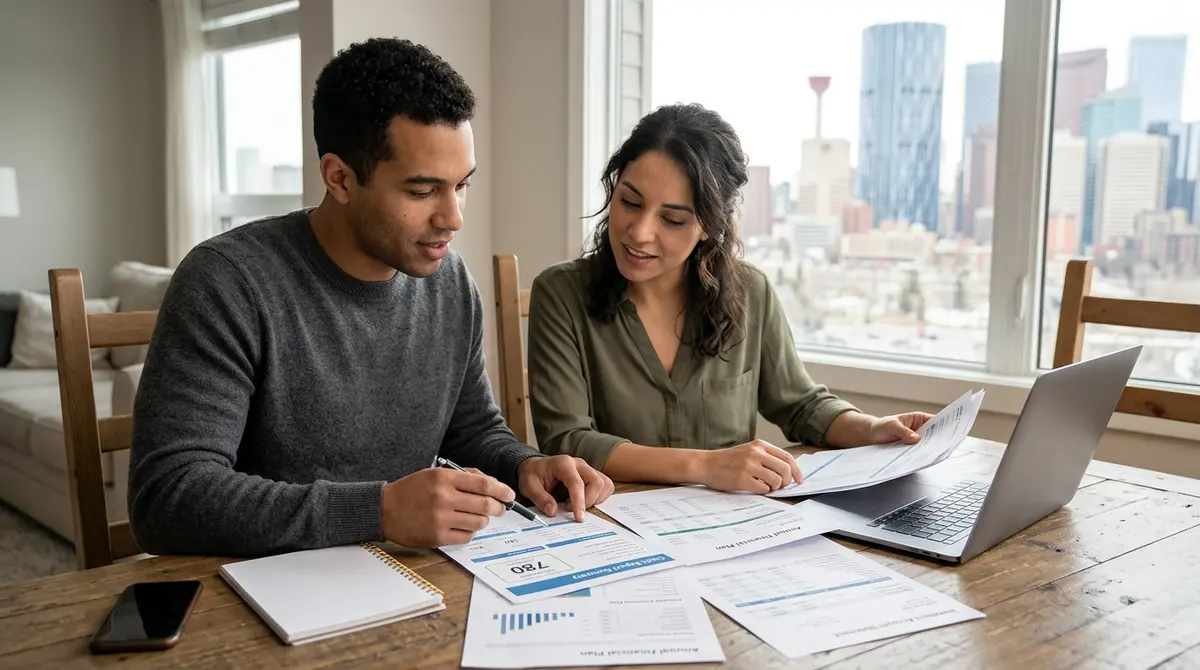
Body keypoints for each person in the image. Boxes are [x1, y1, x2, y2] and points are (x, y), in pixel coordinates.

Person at [128, 38, 613, 557]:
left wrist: (524, 465)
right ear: (340, 178)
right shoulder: (228, 282)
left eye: (462, 185)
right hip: (258, 590)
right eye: (423, 191)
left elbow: (471, 430)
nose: (454, 218)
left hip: (401, 578)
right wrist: (379, 511)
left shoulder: (450, 283)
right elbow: (168, 497)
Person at [527, 103, 933, 494]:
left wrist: (872, 429)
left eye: (672, 219)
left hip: (734, 533)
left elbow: (801, 405)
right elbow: (568, 441)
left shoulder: (750, 294)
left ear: (709, 226)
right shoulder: (561, 295)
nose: (640, 231)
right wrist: (706, 465)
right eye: (630, 202)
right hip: (609, 529)